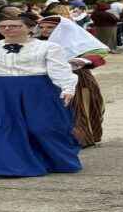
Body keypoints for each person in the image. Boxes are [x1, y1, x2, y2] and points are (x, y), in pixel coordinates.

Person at [0, 14, 81, 177]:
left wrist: (67, 88)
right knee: (0, 127)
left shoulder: (48, 47)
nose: (7, 29)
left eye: (14, 26)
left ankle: (53, 160)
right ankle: (9, 166)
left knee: (42, 127)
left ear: (30, 28)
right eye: (3, 26)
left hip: (38, 90)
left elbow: (59, 69)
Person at [38, 16, 108, 148]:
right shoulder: (36, 42)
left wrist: (81, 60)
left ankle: (80, 137)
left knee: (78, 108)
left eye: (50, 27)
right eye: (41, 27)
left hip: (77, 79)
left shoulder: (78, 40)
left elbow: (100, 52)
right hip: (46, 79)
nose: (44, 30)